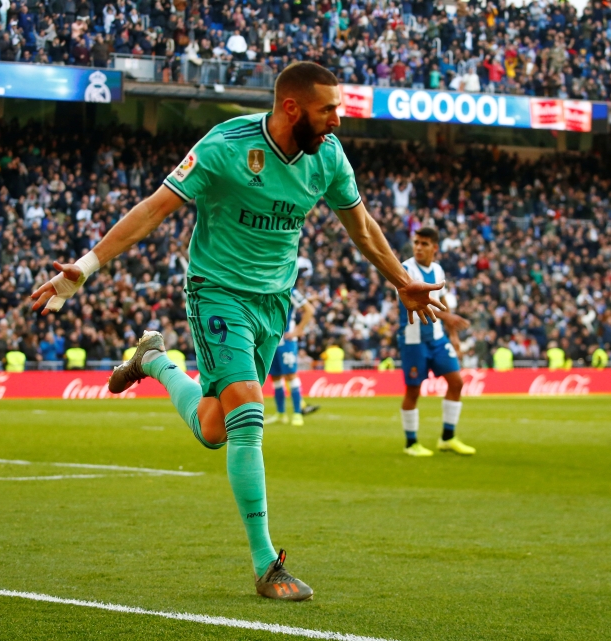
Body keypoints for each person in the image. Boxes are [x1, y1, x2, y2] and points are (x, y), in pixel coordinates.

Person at [30, 61, 444, 601]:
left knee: (214, 430)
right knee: (248, 409)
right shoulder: (226, 145)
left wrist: (402, 281)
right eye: (328, 109)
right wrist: (85, 268)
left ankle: (153, 360)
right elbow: (155, 209)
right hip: (216, 291)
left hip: (273, 303)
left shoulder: (328, 157)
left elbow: (361, 226)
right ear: (291, 108)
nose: (338, 120)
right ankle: (267, 565)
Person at [397, 226, 475, 457]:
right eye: (416, 243)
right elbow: (418, 303)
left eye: (424, 244)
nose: (418, 247)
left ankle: (447, 438)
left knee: (456, 382)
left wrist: (454, 335)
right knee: (413, 391)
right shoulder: (405, 270)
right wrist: (448, 317)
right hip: (413, 340)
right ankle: (411, 443)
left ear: (435, 248)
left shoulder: (438, 270)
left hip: (438, 338)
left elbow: (441, 301)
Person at [267, 284, 319, 426]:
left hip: (287, 341)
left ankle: (297, 414)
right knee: (275, 377)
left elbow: (309, 310)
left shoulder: (290, 291)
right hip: (271, 341)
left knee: (290, 375)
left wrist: (297, 330)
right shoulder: (267, 288)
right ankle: (281, 414)